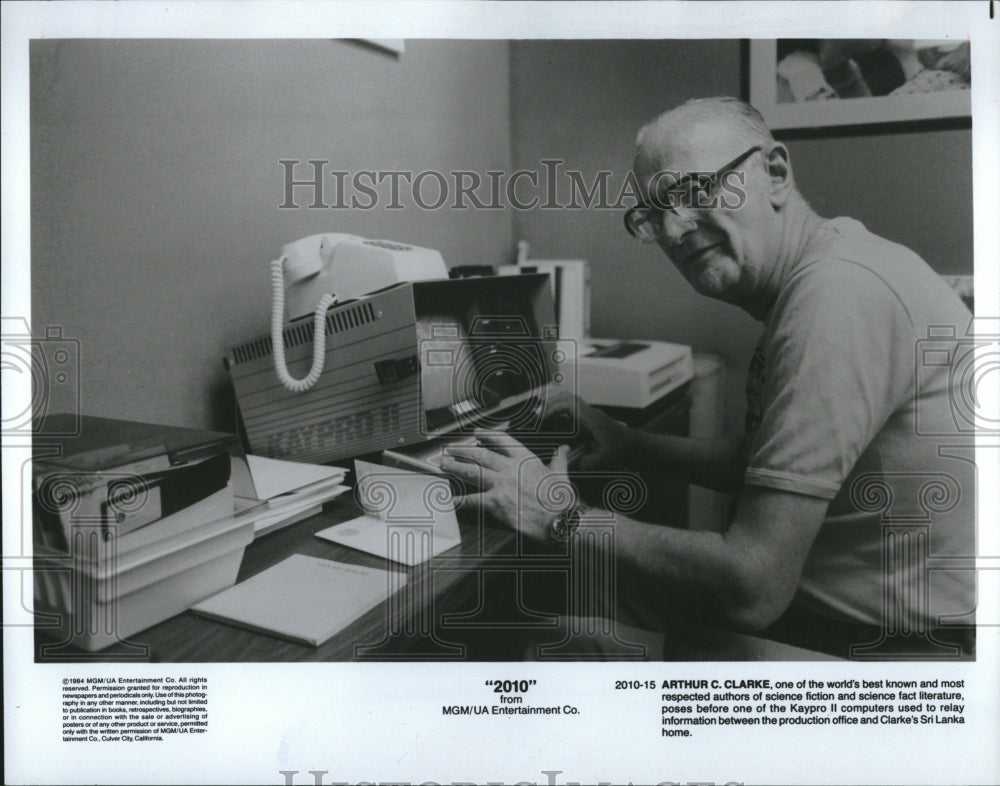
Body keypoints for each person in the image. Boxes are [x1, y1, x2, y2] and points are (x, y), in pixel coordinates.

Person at [440, 97, 975, 658]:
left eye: (695, 190)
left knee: (542, 637)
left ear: (774, 173)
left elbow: (751, 589)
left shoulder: (837, 298)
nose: (673, 229)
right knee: (559, 591)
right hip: (845, 617)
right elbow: (767, 465)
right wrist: (630, 444)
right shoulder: (835, 267)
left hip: (885, 657)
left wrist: (558, 515)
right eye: (652, 212)